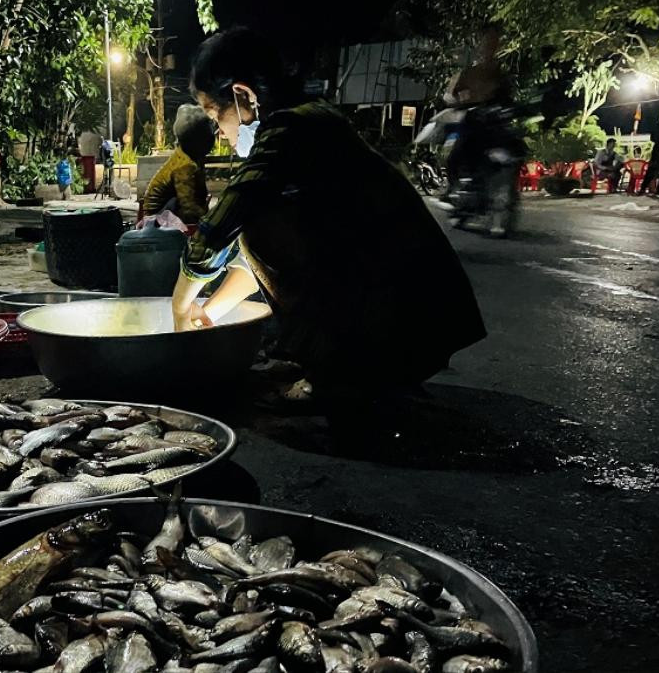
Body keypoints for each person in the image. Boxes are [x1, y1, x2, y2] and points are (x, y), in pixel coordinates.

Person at [171, 27, 486, 425]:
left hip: (405, 318)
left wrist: (180, 307)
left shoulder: (290, 129)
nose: (219, 132)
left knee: (254, 223)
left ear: (244, 96)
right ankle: (354, 368)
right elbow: (270, 255)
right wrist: (210, 312)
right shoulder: (316, 117)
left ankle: (342, 373)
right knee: (261, 227)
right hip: (423, 314)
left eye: (216, 115)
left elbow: (221, 227)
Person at [142, 104, 217, 225]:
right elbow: (189, 208)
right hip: (158, 222)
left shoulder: (184, 156)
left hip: (162, 217)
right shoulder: (185, 166)